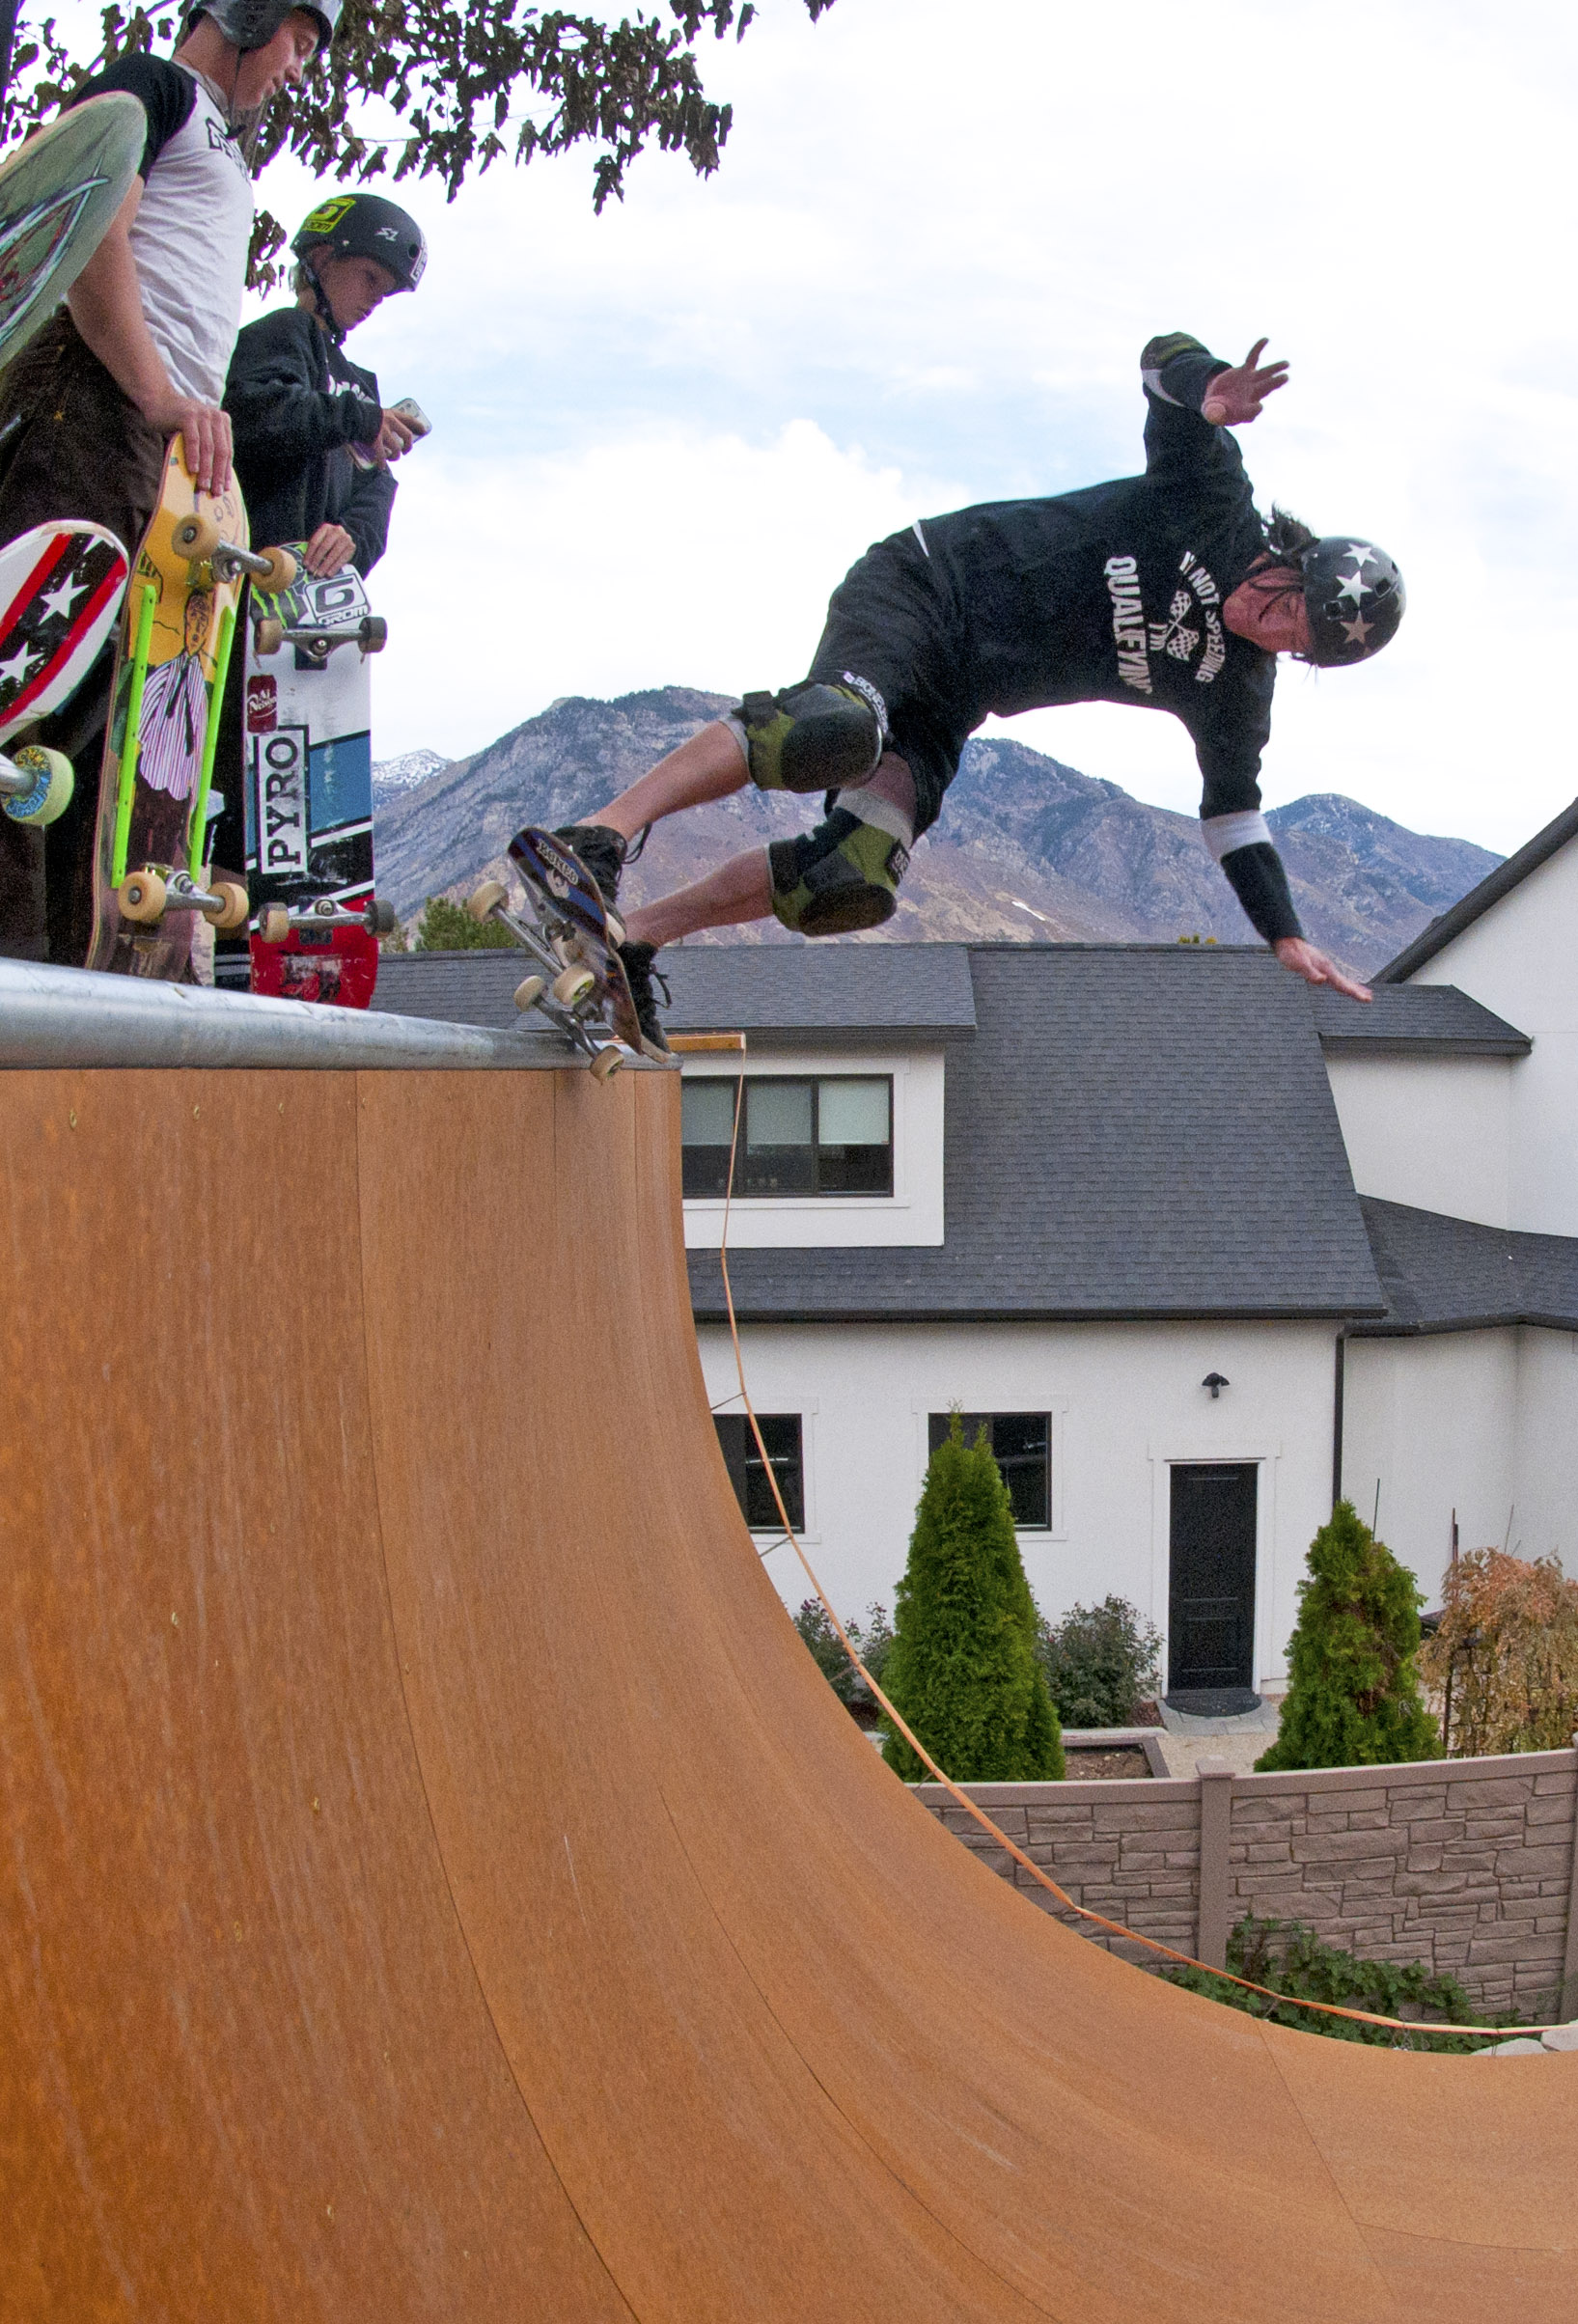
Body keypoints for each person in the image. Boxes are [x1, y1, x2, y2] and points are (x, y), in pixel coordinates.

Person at [549, 332, 1404, 1054]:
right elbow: (1159, 360)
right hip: (924, 588)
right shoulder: (1212, 498)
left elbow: (1233, 816)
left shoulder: (1234, 686)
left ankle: (635, 939)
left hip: (953, 699)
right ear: (1294, 560)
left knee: (848, 879)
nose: (1269, 627)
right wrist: (1206, 386)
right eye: (1284, 604)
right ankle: (595, 836)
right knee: (831, 730)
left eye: (1293, 641)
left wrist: (1283, 931)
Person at [0, 0, 340, 964]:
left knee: (99, 738)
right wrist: (155, 391)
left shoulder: (224, 148)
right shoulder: (152, 87)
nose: (297, 69)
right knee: (30, 684)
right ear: (247, 12)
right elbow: (89, 230)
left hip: (155, 445)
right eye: (298, 41)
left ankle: (63, 980)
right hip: (93, 401)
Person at [223, 191, 429, 581]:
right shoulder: (283, 329)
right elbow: (254, 413)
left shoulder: (361, 384)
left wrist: (351, 536)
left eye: (385, 291)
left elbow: (377, 487)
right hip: (245, 569)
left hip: (309, 594)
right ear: (322, 259)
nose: (376, 299)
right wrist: (361, 419)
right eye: (370, 277)